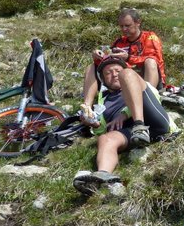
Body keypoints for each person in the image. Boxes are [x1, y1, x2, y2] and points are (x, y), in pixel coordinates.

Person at [73, 56, 174, 195]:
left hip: (154, 122)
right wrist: (95, 125)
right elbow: (105, 128)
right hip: (130, 132)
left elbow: (155, 95)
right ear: (103, 80)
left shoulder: (137, 81)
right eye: (108, 73)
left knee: (127, 74)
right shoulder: (103, 101)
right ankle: (102, 175)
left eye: (117, 70)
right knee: (105, 139)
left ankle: (140, 125)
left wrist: (125, 113)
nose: (114, 75)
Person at [81, 8, 166, 111]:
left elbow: (156, 59)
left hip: (144, 77)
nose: (124, 29)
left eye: (127, 26)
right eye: (121, 26)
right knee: (91, 67)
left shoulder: (150, 37)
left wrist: (128, 58)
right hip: (121, 77)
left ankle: (148, 100)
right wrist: (98, 56)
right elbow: (108, 61)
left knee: (150, 61)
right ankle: (86, 108)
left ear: (138, 22)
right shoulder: (120, 41)